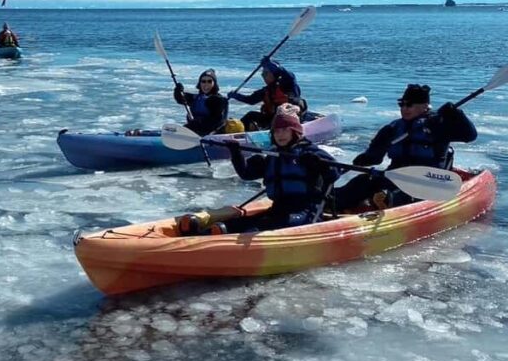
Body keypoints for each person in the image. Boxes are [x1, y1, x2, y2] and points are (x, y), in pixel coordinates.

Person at [177, 110, 339, 235]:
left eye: (285, 130)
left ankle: (227, 245)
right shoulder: (273, 155)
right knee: (233, 225)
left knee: (261, 227)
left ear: (294, 132)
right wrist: (236, 154)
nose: (280, 135)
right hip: (278, 209)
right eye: (276, 131)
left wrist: (319, 165)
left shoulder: (311, 152)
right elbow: (246, 174)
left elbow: (335, 173)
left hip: (306, 213)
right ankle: (201, 236)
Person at [333, 83, 477, 212]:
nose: (404, 108)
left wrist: (457, 115)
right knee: (363, 181)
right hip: (396, 175)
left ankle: (388, 200)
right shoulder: (392, 129)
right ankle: (334, 203)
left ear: (425, 106)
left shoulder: (438, 125)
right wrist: (365, 158)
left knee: (401, 193)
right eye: (402, 104)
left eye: (410, 105)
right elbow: (375, 158)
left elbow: (470, 136)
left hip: (429, 180)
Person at [227, 56, 306, 131]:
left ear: (274, 74)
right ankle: (240, 133)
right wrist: (236, 96)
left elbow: (289, 76)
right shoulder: (266, 91)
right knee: (251, 115)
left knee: (295, 105)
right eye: (262, 74)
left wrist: (271, 64)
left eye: (266, 73)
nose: (263, 76)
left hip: (289, 117)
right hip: (271, 119)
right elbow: (251, 100)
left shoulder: (287, 84)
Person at [173, 69, 228, 136]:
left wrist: (197, 123)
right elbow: (181, 99)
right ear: (200, 83)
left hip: (211, 134)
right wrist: (178, 91)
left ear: (214, 83)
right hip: (194, 131)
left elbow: (216, 121)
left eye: (209, 81)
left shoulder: (219, 100)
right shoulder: (196, 98)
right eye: (203, 81)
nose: (206, 84)